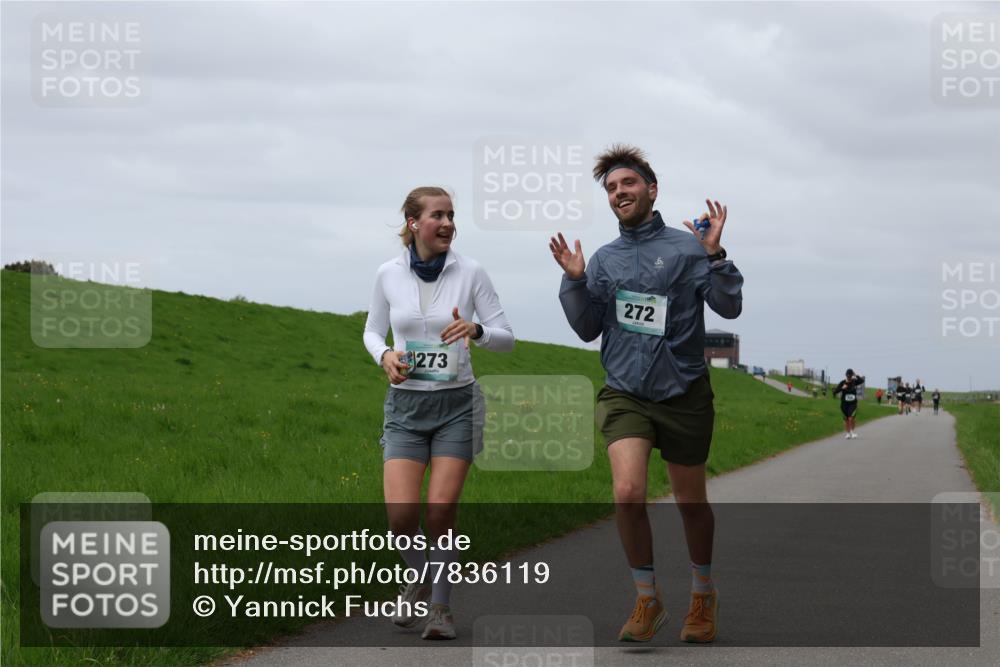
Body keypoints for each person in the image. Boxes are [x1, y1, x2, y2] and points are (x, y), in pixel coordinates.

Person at [549, 144, 743, 644]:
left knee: (691, 503)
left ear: (651, 189)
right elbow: (589, 328)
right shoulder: (605, 260)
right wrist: (574, 282)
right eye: (611, 188)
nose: (619, 193)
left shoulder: (686, 248)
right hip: (624, 393)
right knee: (628, 493)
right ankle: (646, 597)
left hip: (683, 392)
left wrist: (714, 254)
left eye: (627, 184)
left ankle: (702, 595)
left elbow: (729, 307)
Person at [363, 186, 515, 640]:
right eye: (438, 215)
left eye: (451, 215)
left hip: (457, 406)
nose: (448, 223)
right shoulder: (387, 274)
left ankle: (441, 609)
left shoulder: (471, 272)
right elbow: (372, 331)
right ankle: (421, 574)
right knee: (400, 518)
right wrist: (385, 356)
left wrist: (477, 328)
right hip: (406, 406)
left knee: (440, 509)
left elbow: (506, 336)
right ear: (413, 223)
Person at [832, 369, 866, 438]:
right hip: (844, 404)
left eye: (850, 376)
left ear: (852, 376)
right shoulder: (842, 382)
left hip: (853, 403)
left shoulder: (854, 382)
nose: (849, 377)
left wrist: (856, 375)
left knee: (851, 418)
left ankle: (852, 432)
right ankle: (848, 433)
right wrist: (842, 388)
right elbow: (835, 392)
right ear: (846, 375)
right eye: (848, 376)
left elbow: (862, 381)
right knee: (846, 419)